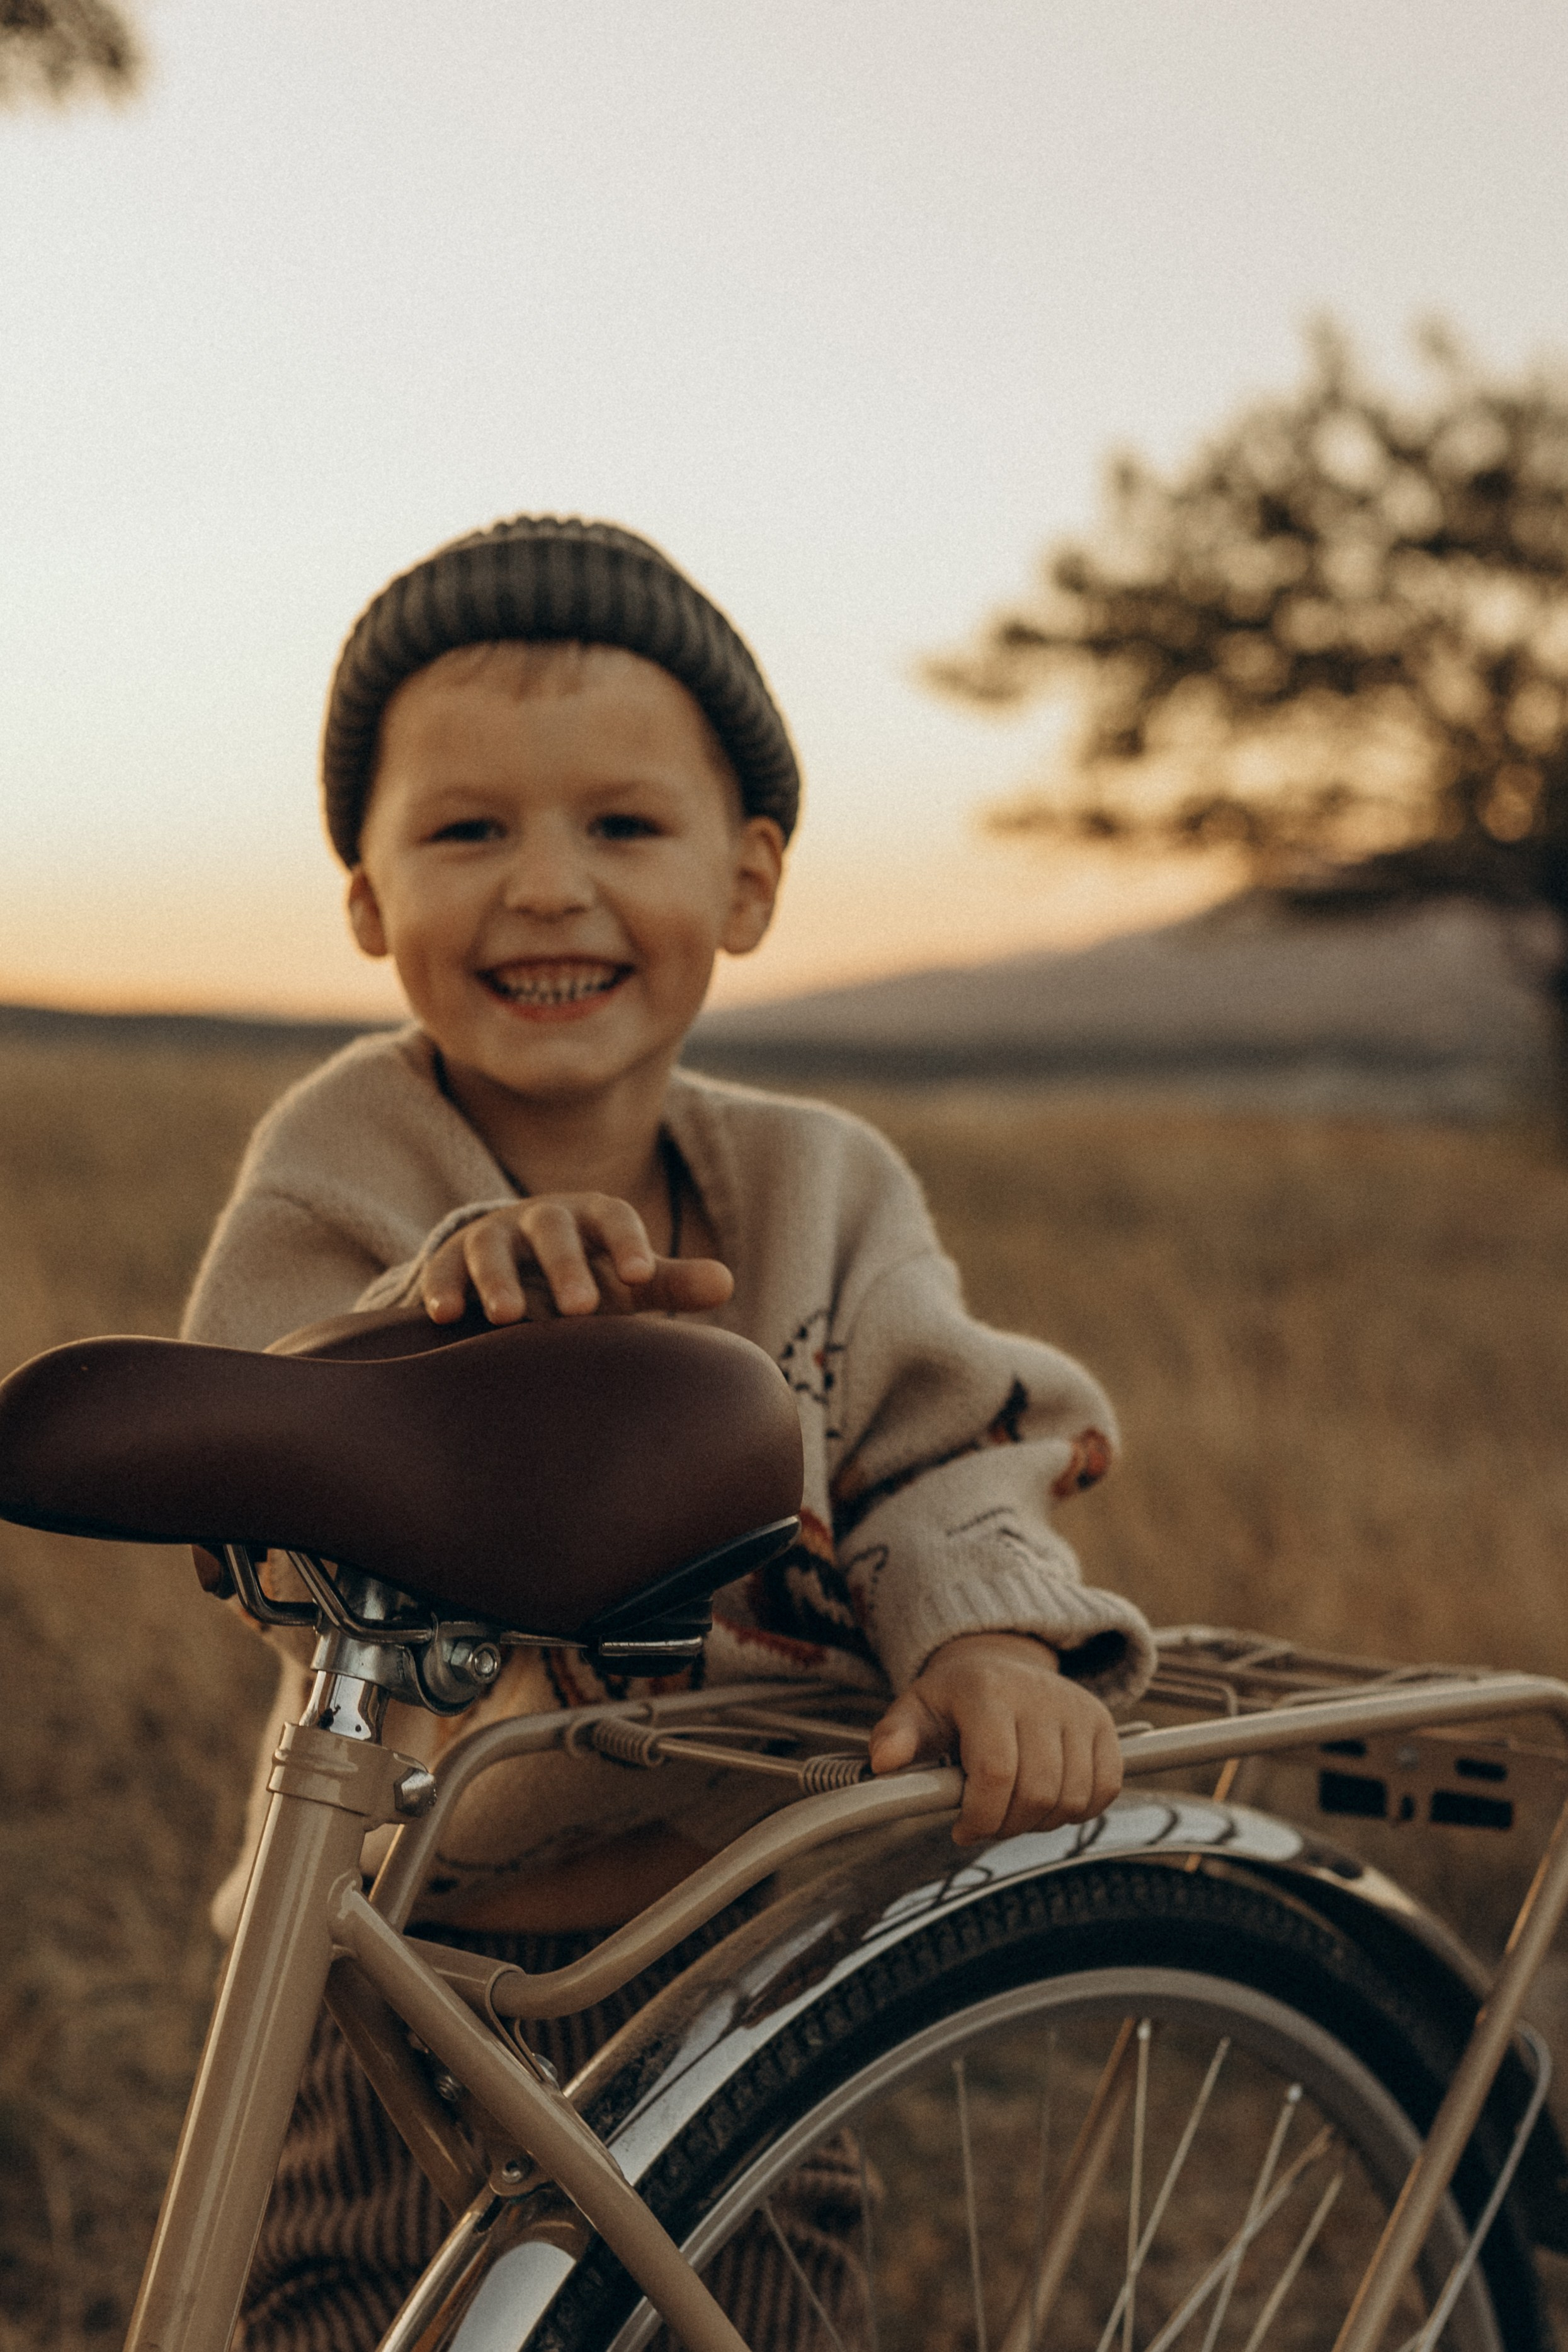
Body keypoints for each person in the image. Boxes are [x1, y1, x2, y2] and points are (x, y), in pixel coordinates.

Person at [184, 514, 1156, 2350]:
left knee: (740, 2310)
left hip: (744, 1943)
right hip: (402, 1955)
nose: (546, 888)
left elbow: (940, 1443)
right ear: (369, 899)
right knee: (339, 2316)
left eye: (622, 828)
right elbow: (261, 1437)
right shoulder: (348, 1157)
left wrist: (985, 1634)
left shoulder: (820, 1182)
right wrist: (439, 1318)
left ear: (750, 879)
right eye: (467, 831)